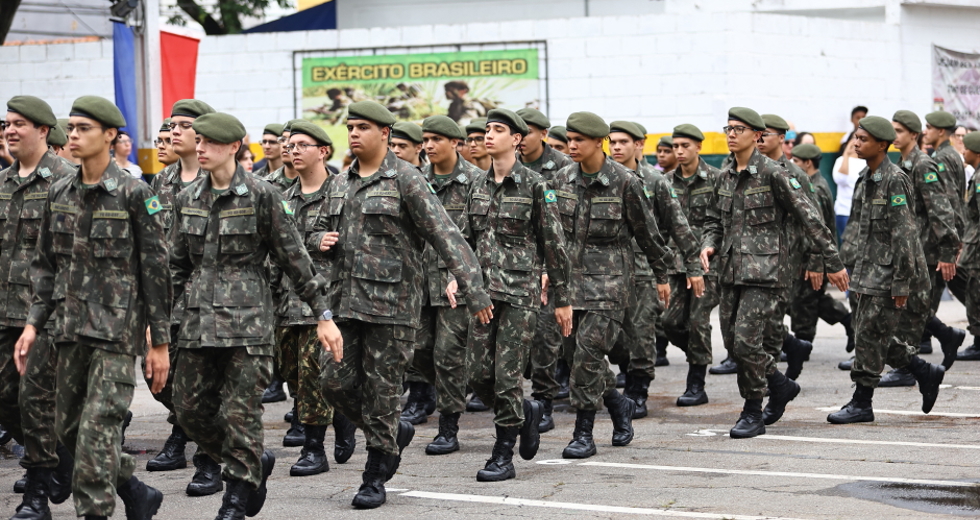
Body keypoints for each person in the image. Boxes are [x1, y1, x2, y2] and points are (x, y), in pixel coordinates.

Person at [317, 101, 492, 509]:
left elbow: (445, 235)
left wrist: (474, 289)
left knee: (381, 391)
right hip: (344, 302)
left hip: (392, 307)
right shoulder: (339, 183)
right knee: (334, 382)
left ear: (385, 133)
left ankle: (375, 471)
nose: (354, 133)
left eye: (363, 127)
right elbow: (318, 234)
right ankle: (391, 431)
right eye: (350, 126)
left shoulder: (407, 180)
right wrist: (317, 242)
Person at [169, 111, 340, 520]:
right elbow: (175, 266)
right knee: (188, 408)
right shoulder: (187, 198)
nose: (201, 148)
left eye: (209, 142)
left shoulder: (262, 195)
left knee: (240, 412)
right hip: (196, 323)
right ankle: (248, 463)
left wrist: (323, 313)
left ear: (233, 147)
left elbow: (295, 258)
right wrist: (157, 322)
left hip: (248, 325)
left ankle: (236, 496)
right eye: (198, 141)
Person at [16, 95, 170, 520]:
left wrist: (160, 340)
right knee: (69, 428)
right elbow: (45, 264)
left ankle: (95, 512)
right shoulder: (59, 190)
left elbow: (157, 272)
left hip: (117, 334)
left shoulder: (136, 195)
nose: (74, 135)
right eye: (73, 128)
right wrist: (32, 325)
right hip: (68, 330)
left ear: (110, 136)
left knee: (99, 426)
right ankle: (135, 490)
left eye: (84, 128)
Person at [700, 107, 847, 439]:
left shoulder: (776, 174)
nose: (731, 134)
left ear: (757, 136)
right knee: (734, 345)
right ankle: (780, 385)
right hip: (730, 272)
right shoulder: (724, 177)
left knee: (747, 341)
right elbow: (713, 221)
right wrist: (708, 244)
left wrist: (831, 262)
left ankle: (752, 410)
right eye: (729, 128)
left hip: (767, 274)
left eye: (740, 129)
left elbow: (812, 220)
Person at [450, 109, 569, 481]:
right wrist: (458, 278)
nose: (488, 136)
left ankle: (503, 454)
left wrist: (563, 298)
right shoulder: (477, 185)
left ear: (517, 139)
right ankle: (526, 412)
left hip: (520, 294)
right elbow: (465, 239)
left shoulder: (535, 185)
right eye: (486, 130)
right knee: (476, 373)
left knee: (506, 376)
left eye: (498, 130)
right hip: (483, 294)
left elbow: (554, 243)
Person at [550, 112, 670, 459]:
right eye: (569, 139)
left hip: (610, 283)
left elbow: (648, 234)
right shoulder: (560, 180)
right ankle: (619, 404)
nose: (572, 146)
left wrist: (661, 275)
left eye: (579, 140)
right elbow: (552, 233)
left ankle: (583, 432)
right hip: (571, 283)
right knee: (574, 356)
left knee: (588, 353)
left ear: (598, 142)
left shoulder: (625, 182)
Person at [825, 116, 946, 425]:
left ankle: (862, 402)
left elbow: (905, 234)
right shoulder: (866, 176)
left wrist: (902, 283)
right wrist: (844, 262)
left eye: (863, 139)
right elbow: (858, 227)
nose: (856, 143)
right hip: (866, 270)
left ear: (882, 144)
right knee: (868, 333)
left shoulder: (895, 179)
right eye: (855, 138)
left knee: (869, 334)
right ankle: (922, 370)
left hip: (889, 273)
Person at [1, 96, 76, 520]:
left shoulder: (68, 181)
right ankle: (60, 458)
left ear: (44, 131)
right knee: (4, 399)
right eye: (7, 124)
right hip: (4, 311)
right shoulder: (2, 183)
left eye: (20, 124)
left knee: (34, 400)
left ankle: (36, 495)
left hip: (49, 315)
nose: (11, 131)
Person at [145, 100, 220, 497]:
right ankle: (185, 427)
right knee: (159, 377)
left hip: (209, 299)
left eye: (183, 126)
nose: (174, 132)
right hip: (169, 292)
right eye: (172, 125)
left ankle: (208, 459)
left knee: (202, 381)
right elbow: (157, 236)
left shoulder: (218, 178)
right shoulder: (163, 181)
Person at [606, 120, 704, 418]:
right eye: (613, 142)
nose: (617, 147)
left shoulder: (654, 181)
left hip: (645, 270)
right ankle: (625, 372)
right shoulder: (602, 178)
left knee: (641, 332)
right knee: (614, 338)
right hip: (606, 271)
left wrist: (693, 266)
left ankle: (638, 390)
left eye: (624, 142)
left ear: (640, 144)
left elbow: (678, 225)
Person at [276, 120, 355, 476]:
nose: (292, 150)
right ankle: (342, 417)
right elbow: (275, 246)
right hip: (286, 301)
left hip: (328, 301)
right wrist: (312, 240)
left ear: (322, 151)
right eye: (289, 145)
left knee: (313, 376)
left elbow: (354, 243)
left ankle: (313, 449)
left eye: (301, 145)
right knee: (292, 374)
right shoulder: (281, 196)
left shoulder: (343, 193)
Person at [401, 115, 482, 449]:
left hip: (456, 284)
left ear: (455, 143)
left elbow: (480, 235)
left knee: (449, 355)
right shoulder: (415, 179)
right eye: (426, 140)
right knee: (418, 351)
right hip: (419, 281)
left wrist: (460, 276)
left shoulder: (477, 181)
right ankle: (444, 392)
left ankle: (448, 426)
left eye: (436, 139)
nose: (429, 146)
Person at [879, 111, 962, 387]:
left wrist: (948, 252)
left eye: (899, 131)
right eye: (892, 130)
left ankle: (906, 368)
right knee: (912, 307)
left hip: (925, 249)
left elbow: (941, 211)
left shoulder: (923, 165)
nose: (894, 136)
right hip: (909, 249)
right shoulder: (902, 163)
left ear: (913, 135)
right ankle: (946, 335)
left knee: (911, 311)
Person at [515, 108, 573, 431]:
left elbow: (564, 223)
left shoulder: (563, 169)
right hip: (520, 265)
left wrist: (555, 266)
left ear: (544, 134)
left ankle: (544, 403)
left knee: (546, 338)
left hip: (552, 264)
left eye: (529, 132)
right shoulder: (510, 166)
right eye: (518, 133)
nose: (522, 139)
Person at [757, 114, 823, 381]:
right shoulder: (746, 170)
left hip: (786, 261)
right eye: (756, 133)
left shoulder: (795, 174)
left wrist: (816, 261)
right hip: (753, 261)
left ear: (782, 138)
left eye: (766, 134)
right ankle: (794, 347)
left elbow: (814, 221)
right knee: (760, 321)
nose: (759, 138)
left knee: (769, 320)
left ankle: (769, 388)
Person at [663, 124, 722, 406]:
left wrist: (710, 247)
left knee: (698, 321)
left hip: (706, 263)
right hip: (675, 262)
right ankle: (699, 353)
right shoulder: (665, 181)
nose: (679, 151)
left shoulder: (715, 179)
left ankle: (696, 383)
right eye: (675, 146)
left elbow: (721, 221)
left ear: (699, 146)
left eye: (685, 146)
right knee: (670, 322)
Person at [787, 143, 855, 356]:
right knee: (810, 299)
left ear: (807, 163)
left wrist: (816, 262)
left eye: (796, 162)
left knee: (804, 301)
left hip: (812, 257)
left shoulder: (815, 188)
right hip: (804, 256)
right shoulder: (809, 183)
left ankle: (802, 344)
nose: (792, 166)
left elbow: (819, 228)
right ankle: (849, 321)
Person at [953, 132, 980, 361]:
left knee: (975, 292)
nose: (964, 151)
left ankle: (979, 342)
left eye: (967, 148)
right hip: (973, 244)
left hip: (977, 248)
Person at [832, 134, 864, 241]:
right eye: (854, 138)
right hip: (844, 211)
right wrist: (846, 154)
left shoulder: (866, 162)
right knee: (846, 244)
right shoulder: (840, 160)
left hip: (862, 211)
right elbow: (841, 179)